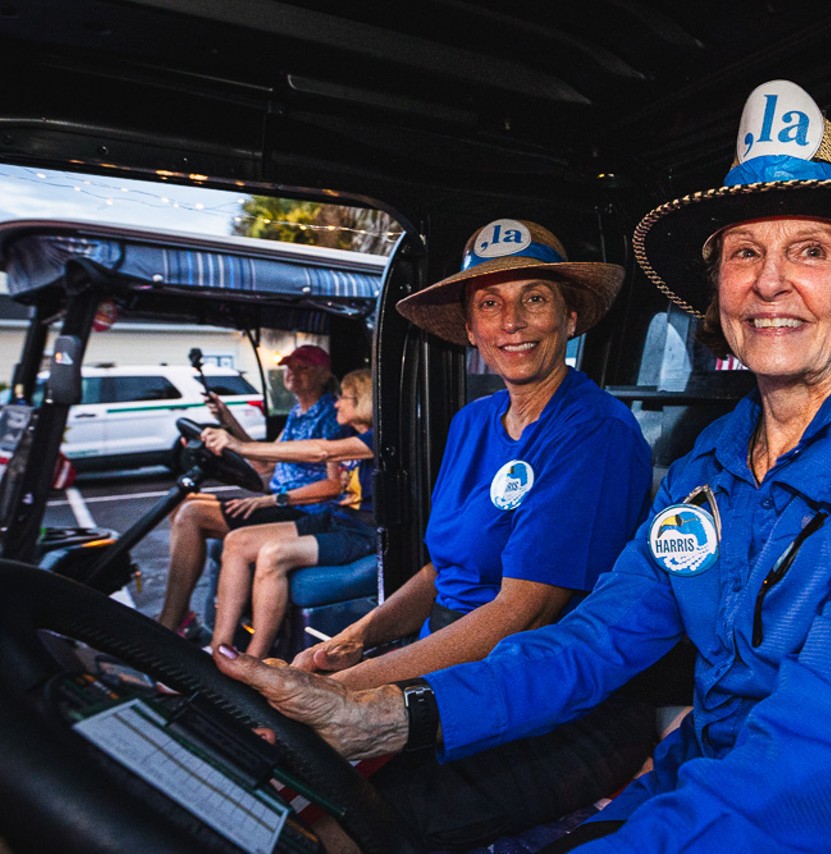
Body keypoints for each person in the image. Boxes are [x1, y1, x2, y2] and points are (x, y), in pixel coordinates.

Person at [218, 81, 831, 852]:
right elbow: (592, 641)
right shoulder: (706, 469)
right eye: (743, 252)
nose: (770, 282)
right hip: (705, 788)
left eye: (811, 250)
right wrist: (391, 714)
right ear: (716, 291)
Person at [243, 217, 655, 847]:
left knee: (328, 832)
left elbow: (523, 612)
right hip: (443, 663)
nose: (510, 322)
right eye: (489, 304)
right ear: (471, 328)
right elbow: (441, 570)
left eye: (533, 299)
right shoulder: (474, 422)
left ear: (570, 318)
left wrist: (341, 690)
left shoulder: (595, 431)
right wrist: (356, 641)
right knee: (275, 786)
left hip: (541, 695)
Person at [156, 344, 350, 636]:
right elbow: (264, 462)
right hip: (277, 500)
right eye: (289, 368)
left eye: (303, 368)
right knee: (181, 503)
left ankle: (169, 625)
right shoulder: (298, 412)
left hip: (301, 508)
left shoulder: (332, 415)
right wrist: (227, 419)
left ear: (323, 374)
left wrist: (274, 499)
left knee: (193, 514)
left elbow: (334, 484)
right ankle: (182, 614)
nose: (292, 374)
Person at [200, 368, 376, 658]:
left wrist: (241, 445)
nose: (336, 404)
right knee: (236, 541)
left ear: (363, 402)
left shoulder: (375, 439)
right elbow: (281, 460)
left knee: (273, 554)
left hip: (361, 533)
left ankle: (254, 661)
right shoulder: (350, 434)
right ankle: (220, 649)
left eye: (343, 398)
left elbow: (322, 452)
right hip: (334, 520)